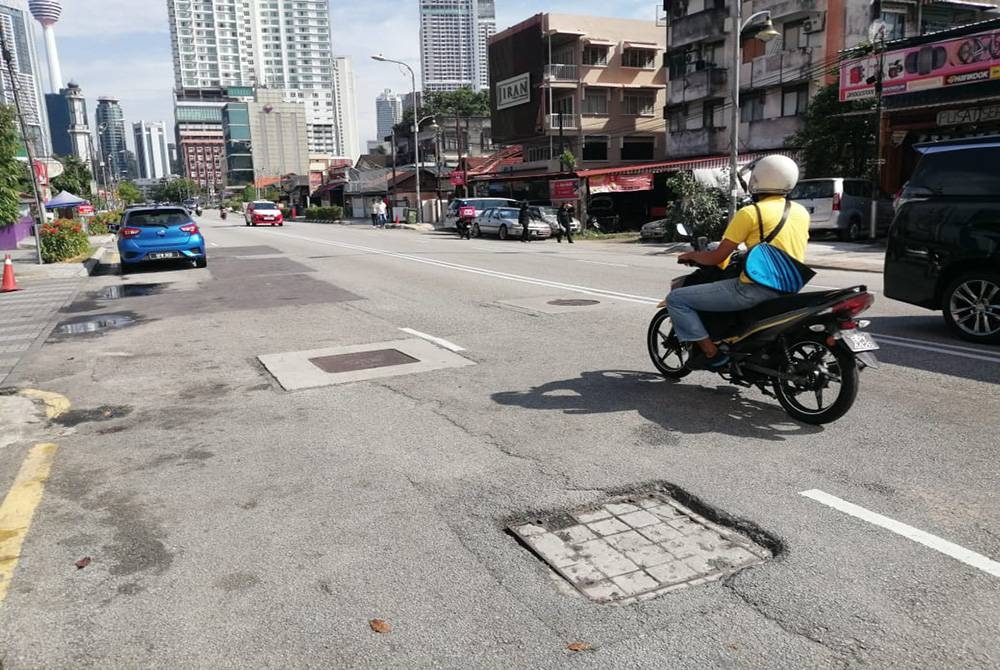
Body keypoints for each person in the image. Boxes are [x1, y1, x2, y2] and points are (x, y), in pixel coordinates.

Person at [666, 155, 809, 369]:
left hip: (753, 290)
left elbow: (717, 257)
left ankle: (711, 353)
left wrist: (692, 255)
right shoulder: (801, 212)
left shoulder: (750, 213)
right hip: (789, 288)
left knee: (676, 299)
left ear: (758, 179)